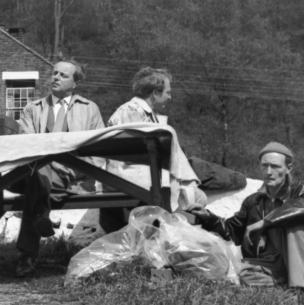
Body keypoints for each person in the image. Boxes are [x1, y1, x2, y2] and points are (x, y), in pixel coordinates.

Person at [15, 59, 105, 277]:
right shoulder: (32, 109)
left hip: (73, 176)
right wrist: (53, 162)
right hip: (33, 171)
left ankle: (28, 249)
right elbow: (24, 146)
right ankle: (40, 215)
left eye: (63, 75)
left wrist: (75, 169)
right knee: (38, 168)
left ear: (75, 83)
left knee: (37, 179)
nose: (55, 77)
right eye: (54, 73)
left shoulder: (89, 109)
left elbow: (99, 151)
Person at [192, 143, 304, 288]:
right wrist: (208, 217)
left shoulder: (299, 190)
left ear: (288, 168)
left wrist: (264, 222)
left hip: (297, 256)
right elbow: (232, 232)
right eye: (265, 166)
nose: (269, 171)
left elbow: (300, 207)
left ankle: (299, 287)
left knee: (294, 222)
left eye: (275, 166)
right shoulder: (253, 201)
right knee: (243, 273)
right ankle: (284, 279)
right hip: (270, 262)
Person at [107, 67, 172, 126]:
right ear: (155, 93)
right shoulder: (131, 111)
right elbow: (132, 139)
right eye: (168, 93)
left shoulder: (149, 113)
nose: (169, 97)